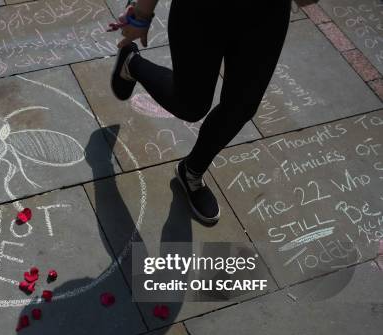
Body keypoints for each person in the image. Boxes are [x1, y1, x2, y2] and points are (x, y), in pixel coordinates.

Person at [110, 0, 292, 224]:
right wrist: (142, 14)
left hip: (267, 14)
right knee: (190, 105)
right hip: (203, 10)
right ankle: (132, 63)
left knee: (242, 106)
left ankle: (191, 172)